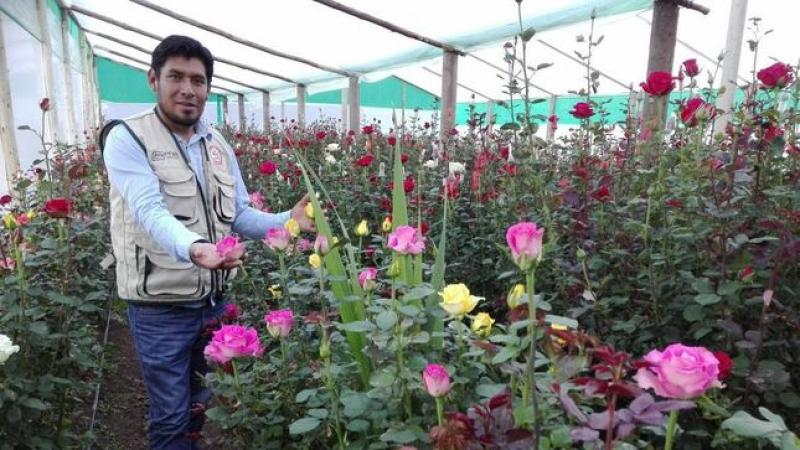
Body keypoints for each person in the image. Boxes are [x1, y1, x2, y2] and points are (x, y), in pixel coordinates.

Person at [100, 35, 313, 450]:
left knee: (200, 405)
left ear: (208, 87)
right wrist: (197, 248)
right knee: (170, 414)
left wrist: (290, 220)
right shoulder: (129, 139)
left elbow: (239, 213)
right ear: (153, 80)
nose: (187, 89)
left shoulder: (216, 145)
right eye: (175, 76)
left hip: (211, 302)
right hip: (159, 305)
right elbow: (149, 210)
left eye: (197, 80)